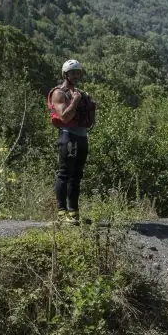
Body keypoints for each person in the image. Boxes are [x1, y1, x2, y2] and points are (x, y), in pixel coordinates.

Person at [48, 59, 96, 225]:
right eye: (73, 73)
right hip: (68, 137)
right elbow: (64, 117)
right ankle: (62, 213)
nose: (76, 75)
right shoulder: (59, 93)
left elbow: (89, 120)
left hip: (82, 137)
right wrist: (75, 101)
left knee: (77, 176)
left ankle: (74, 213)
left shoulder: (80, 93)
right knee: (64, 174)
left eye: (78, 73)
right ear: (65, 74)